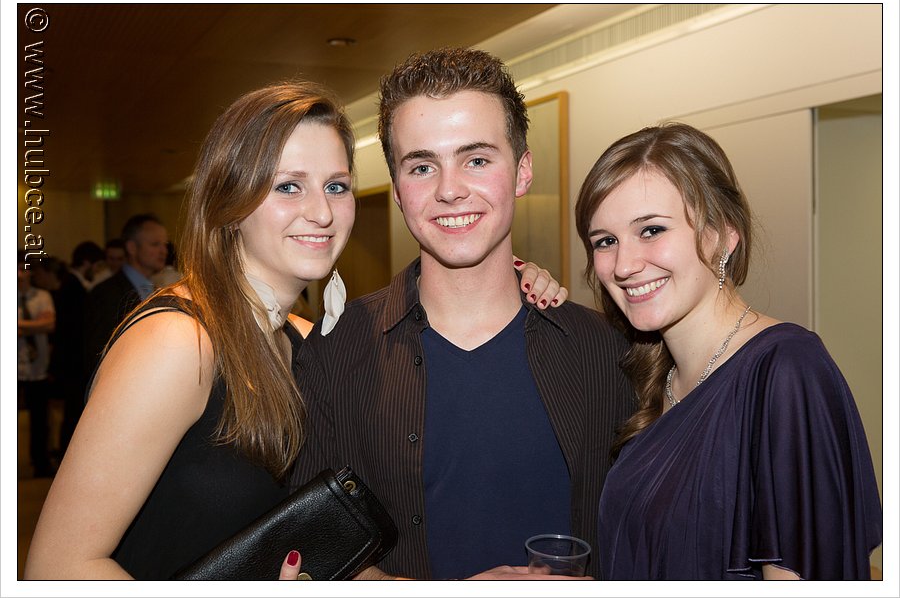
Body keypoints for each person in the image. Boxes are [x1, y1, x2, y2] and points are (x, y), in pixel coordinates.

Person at [24, 81, 563, 581]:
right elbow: (57, 566)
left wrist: (510, 280)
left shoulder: (300, 338)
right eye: (288, 186)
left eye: (336, 186)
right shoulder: (179, 342)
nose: (321, 212)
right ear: (230, 204)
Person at [290, 48, 635, 581]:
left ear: (522, 171)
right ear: (398, 190)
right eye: (422, 166)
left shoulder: (606, 349)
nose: (449, 190)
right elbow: (312, 546)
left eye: (476, 160)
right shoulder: (335, 352)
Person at [574, 122, 882, 580]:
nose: (624, 265)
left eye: (651, 230)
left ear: (722, 235)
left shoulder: (786, 370)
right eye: (605, 241)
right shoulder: (650, 376)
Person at [84, 214, 168, 377]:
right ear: (132, 248)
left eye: (164, 245)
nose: (163, 251)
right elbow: (98, 354)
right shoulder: (107, 293)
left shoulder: (153, 289)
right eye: (155, 244)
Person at [52, 241, 106, 455]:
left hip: (71, 360)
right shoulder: (73, 287)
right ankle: (68, 455)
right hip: (72, 361)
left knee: (73, 413)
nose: (98, 271)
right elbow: (76, 330)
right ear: (87, 263)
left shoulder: (73, 284)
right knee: (73, 414)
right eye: (97, 265)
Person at [17, 251, 57, 478]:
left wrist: (20, 325)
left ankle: (40, 462)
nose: (19, 274)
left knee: (40, 420)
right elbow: (41, 324)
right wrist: (36, 324)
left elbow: (50, 325)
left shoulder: (42, 296)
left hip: (37, 367)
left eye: (23, 269)